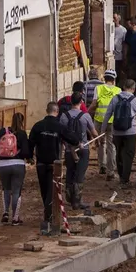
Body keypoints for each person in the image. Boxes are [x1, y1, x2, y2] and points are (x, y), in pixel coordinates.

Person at [26, 99, 80, 235]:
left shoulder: (38, 126)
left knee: (45, 190)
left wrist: (29, 157)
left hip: (41, 163)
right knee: (53, 191)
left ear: (46, 111)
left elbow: (30, 142)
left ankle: (48, 214)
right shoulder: (59, 126)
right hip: (54, 164)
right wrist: (78, 142)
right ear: (56, 112)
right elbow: (72, 139)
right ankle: (49, 217)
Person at [101, 82, 136, 188]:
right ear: (133, 88)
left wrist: (102, 130)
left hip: (117, 132)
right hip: (130, 132)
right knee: (128, 155)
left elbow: (107, 115)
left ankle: (121, 176)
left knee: (119, 153)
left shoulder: (115, 98)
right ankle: (125, 179)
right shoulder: (135, 100)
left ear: (123, 87)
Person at [59, 83, 98, 216]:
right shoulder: (85, 116)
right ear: (81, 102)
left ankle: (69, 197)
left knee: (70, 172)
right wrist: (97, 140)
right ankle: (77, 201)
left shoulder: (64, 116)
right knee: (80, 175)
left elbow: (62, 133)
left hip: (69, 150)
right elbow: (93, 132)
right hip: (84, 148)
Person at [0, 114, 29, 225]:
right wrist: (30, 158)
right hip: (18, 165)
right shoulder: (22, 134)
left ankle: (5, 213)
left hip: (2, 165)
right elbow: (25, 151)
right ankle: (15, 219)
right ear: (22, 122)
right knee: (16, 191)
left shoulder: (2, 131)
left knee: (6, 189)